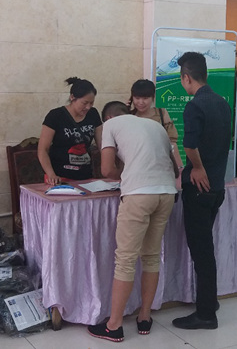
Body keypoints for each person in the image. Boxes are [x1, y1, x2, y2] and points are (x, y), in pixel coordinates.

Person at [87, 101, 179, 343]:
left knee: (125, 260)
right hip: (166, 193)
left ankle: (114, 326)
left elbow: (106, 169)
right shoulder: (155, 126)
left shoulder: (110, 125)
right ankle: (145, 317)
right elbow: (175, 169)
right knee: (151, 256)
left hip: (139, 194)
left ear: (108, 118)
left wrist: (126, 174)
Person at [171, 52, 232, 331]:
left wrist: (196, 167)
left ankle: (206, 313)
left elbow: (190, 144)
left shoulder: (194, 105)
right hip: (217, 187)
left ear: (186, 77)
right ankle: (210, 301)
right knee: (206, 248)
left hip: (198, 188)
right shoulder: (222, 102)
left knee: (201, 252)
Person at [38, 77, 103, 185]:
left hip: (85, 176)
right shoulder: (55, 116)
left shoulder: (93, 114)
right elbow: (42, 150)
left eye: (91, 103)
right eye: (84, 103)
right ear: (72, 97)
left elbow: (102, 144)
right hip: (60, 177)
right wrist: (51, 175)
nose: (88, 107)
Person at [128, 79, 184, 171]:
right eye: (137, 98)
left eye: (145, 98)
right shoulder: (129, 117)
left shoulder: (162, 113)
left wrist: (179, 167)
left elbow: (172, 142)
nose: (141, 102)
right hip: (135, 166)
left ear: (153, 97)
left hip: (160, 165)